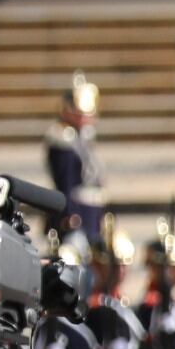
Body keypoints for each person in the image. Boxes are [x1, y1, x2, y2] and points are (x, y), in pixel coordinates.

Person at [45, 73, 103, 244]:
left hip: (92, 212)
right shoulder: (62, 139)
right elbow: (65, 182)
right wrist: (70, 214)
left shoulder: (85, 137)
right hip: (76, 214)